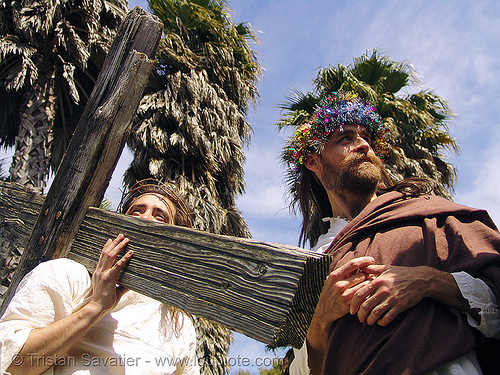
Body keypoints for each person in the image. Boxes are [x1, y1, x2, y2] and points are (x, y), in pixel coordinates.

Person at [283, 91, 500, 375]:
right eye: (345, 138)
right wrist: (320, 318)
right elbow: (301, 370)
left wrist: (427, 281)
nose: (362, 145)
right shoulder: (316, 258)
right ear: (313, 162)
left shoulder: (430, 213)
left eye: (366, 138)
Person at [0, 179, 200, 375]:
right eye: (137, 211)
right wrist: (96, 307)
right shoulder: (68, 275)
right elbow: (13, 363)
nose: (145, 218)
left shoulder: (179, 324)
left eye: (160, 216)